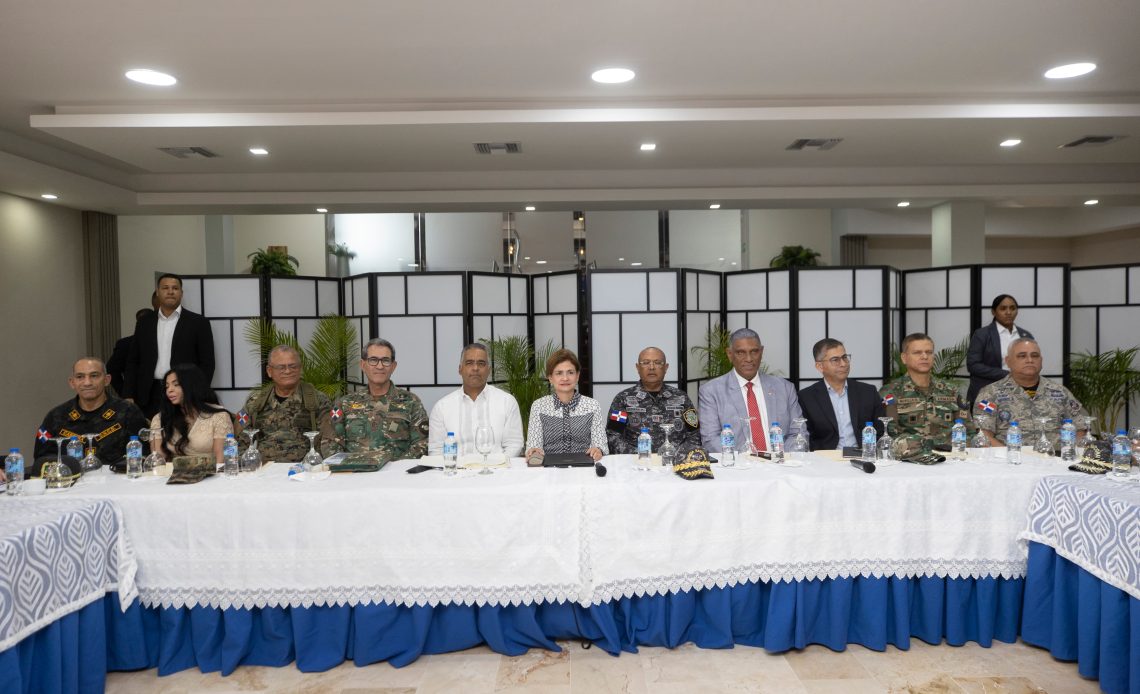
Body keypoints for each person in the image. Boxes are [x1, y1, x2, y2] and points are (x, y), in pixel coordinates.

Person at [697, 328, 803, 452]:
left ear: (761, 352)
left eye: (754, 351)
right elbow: (711, 440)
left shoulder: (784, 388)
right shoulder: (711, 391)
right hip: (738, 466)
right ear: (730, 354)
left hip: (781, 464)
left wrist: (784, 461)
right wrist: (744, 462)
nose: (749, 359)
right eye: (740, 353)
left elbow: (798, 432)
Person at [125, 274, 216, 419]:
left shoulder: (198, 322)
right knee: (151, 436)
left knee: (183, 437)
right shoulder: (144, 322)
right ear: (158, 292)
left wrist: (198, 392)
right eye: (165, 288)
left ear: (181, 293)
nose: (170, 291)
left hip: (184, 391)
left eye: (175, 288)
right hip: (149, 393)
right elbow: (133, 361)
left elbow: (207, 363)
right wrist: (129, 394)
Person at [974, 337, 1088, 449]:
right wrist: (1008, 456)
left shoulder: (1060, 392)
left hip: (1054, 459)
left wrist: (1070, 452)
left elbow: (1080, 428)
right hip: (1010, 460)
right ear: (1008, 361)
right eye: (1022, 356)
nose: (1030, 360)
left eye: (1035, 356)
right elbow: (984, 435)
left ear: (1041, 360)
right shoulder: (990, 393)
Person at [329, 338, 429, 463]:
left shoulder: (411, 402)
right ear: (363, 365)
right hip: (353, 475)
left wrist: (395, 469)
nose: (380, 366)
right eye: (373, 360)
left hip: (396, 476)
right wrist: (347, 467)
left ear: (393, 366)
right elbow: (331, 442)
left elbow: (422, 444)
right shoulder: (344, 403)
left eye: (386, 361)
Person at [33, 357, 148, 466]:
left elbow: (144, 455)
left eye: (94, 376)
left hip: (117, 481)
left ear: (107, 380)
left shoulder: (128, 412)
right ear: (72, 382)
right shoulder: (56, 416)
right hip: (71, 482)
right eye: (80, 377)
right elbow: (41, 459)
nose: (87, 382)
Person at [233, 345, 336, 462]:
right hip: (264, 471)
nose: (287, 371)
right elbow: (239, 441)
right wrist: (246, 466)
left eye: (293, 366)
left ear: (300, 368)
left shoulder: (318, 400)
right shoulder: (255, 401)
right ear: (269, 371)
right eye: (281, 367)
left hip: (305, 471)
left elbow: (329, 441)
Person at [879, 333, 970, 457]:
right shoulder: (890, 392)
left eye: (929, 352)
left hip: (951, 458)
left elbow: (968, 429)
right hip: (910, 459)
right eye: (917, 352)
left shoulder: (951, 390)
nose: (924, 356)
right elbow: (889, 434)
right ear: (904, 358)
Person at [428, 342, 524, 457]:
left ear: (489, 370)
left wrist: (498, 467)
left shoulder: (507, 402)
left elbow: (514, 444)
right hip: (456, 472)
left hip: (497, 471)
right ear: (460, 369)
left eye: (481, 363)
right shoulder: (442, 407)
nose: (475, 368)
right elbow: (436, 450)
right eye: (469, 363)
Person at [605, 346, 701, 455]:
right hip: (636, 464)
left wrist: (677, 455)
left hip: (675, 462)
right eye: (645, 362)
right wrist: (641, 455)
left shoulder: (682, 398)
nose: (651, 367)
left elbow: (695, 434)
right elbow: (613, 437)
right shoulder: (623, 399)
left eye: (657, 362)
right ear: (637, 367)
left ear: (666, 367)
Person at [797, 338, 885, 450]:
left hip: (863, 456)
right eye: (835, 360)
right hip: (826, 460)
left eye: (845, 357)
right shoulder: (806, 397)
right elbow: (806, 436)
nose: (843, 364)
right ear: (820, 366)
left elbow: (880, 430)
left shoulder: (868, 392)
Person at [525, 349, 607, 461]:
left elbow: (601, 445)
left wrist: (598, 450)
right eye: (559, 373)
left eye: (570, 372)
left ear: (577, 376)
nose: (565, 378)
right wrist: (533, 451)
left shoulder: (592, 405)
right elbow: (533, 446)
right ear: (550, 378)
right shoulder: (538, 406)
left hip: (583, 468)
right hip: (549, 469)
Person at [149, 364, 233, 466]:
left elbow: (220, 461)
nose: (169, 390)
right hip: (174, 476)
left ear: (191, 386)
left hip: (209, 476)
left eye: (176, 385)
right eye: (167, 386)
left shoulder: (219, 417)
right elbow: (158, 461)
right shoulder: (160, 418)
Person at [966, 294, 1035, 407]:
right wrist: (1007, 375)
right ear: (994, 312)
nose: (1008, 312)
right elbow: (973, 365)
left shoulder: (1025, 336)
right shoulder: (982, 334)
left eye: (1012, 308)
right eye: (1003, 308)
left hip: (1018, 394)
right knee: (986, 423)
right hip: (987, 396)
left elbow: (1033, 362)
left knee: (1015, 423)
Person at [107, 307, 155, 396]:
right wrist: (125, 393)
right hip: (137, 397)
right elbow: (111, 369)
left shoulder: (163, 342)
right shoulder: (126, 344)